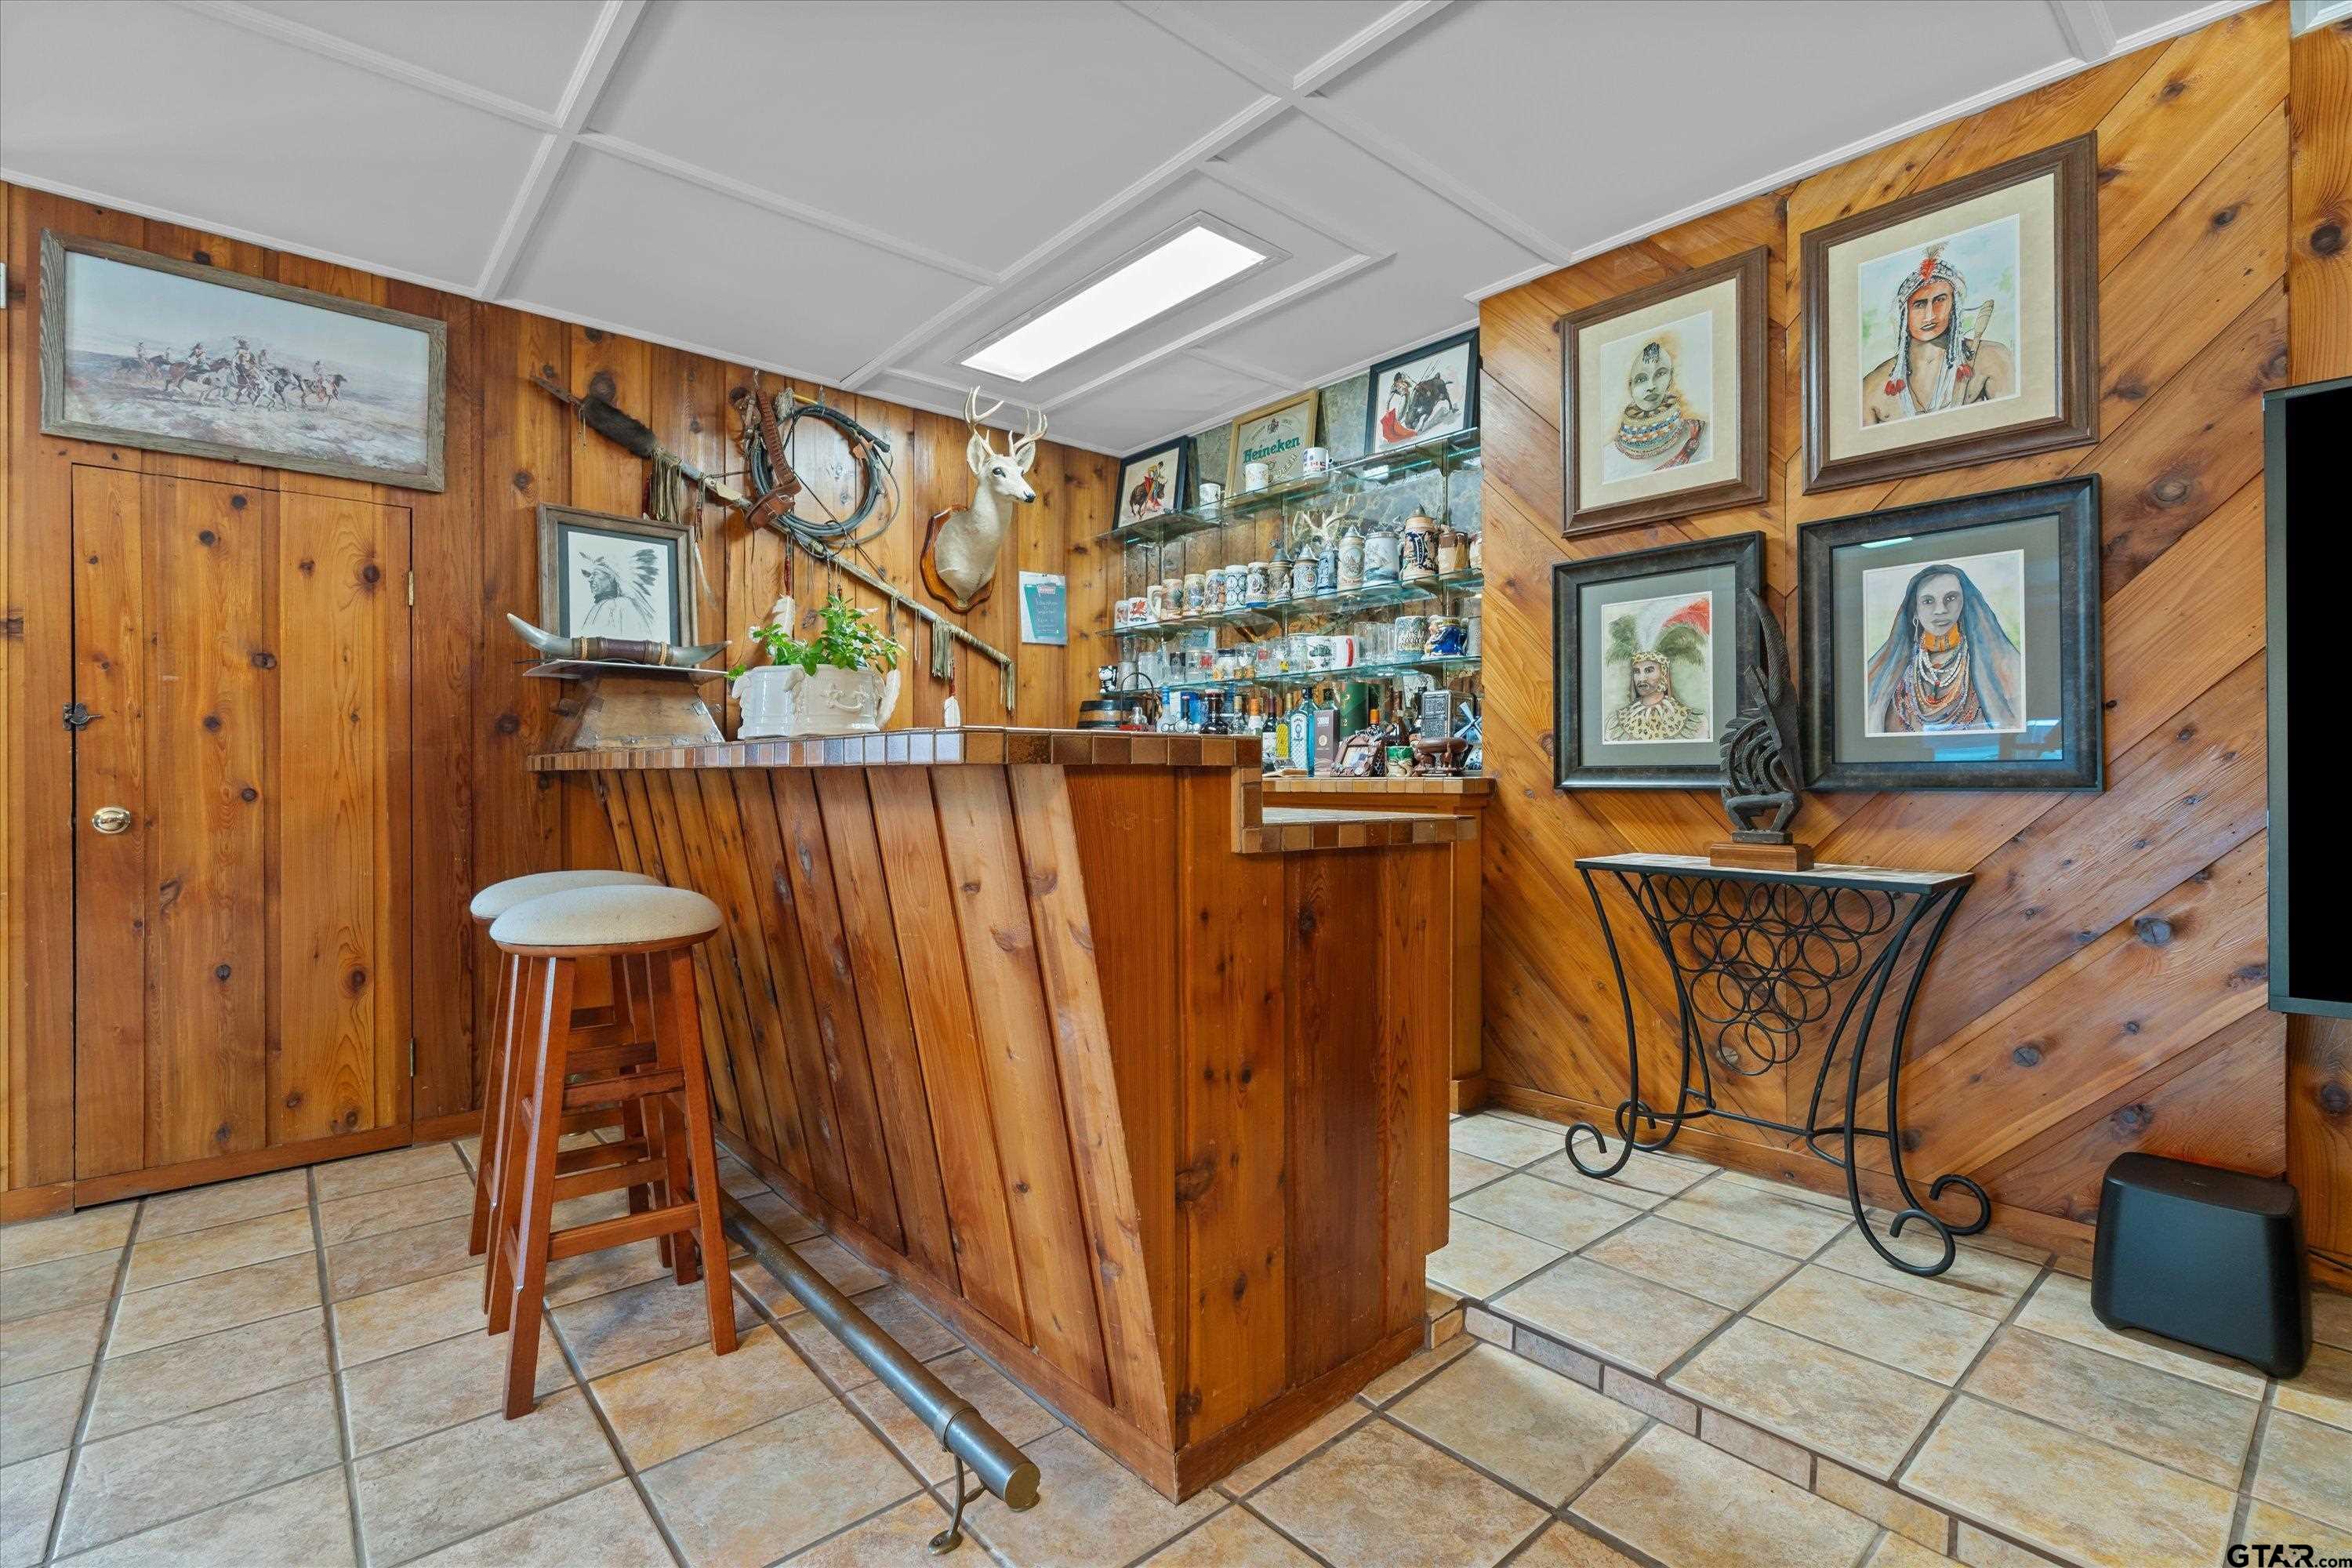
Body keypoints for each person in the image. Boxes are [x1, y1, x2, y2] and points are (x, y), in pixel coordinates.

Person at [1862, 562, 2024, 735]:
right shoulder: (1889, 672)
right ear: (1915, 611)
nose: (1940, 610)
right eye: (1928, 601)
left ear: (1964, 604)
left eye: (1951, 598)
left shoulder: (1995, 666)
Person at [1863, 246, 2014, 423]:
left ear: (1954, 306)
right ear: (1904, 314)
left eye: (1940, 300)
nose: (1930, 316)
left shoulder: (1992, 358)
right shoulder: (1872, 386)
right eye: (1919, 304)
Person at [1608, 337, 1705, 473]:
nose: (1651, 386)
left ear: (1670, 377)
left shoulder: (1701, 434)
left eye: (1660, 374)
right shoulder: (1608, 458)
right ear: (1631, 386)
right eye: (1641, 379)